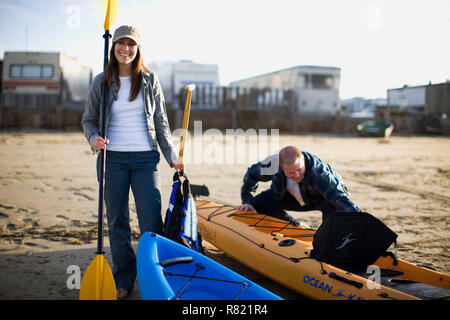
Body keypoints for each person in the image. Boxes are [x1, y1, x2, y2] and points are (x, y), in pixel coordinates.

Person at [81, 25, 179, 299]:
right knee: (117, 220)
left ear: (138, 49)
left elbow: (161, 121)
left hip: (146, 159)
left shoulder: (149, 79)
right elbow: (88, 119)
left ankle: (154, 275)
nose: (126, 49)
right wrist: (94, 139)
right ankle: (124, 278)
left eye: (131, 44)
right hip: (112, 160)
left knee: (151, 221)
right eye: (121, 44)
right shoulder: (101, 80)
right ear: (113, 48)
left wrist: (172, 155)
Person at [235, 146, 360, 224]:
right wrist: (247, 200)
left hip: (321, 200)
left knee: (334, 208)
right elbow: (251, 175)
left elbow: (340, 199)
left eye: (300, 170)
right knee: (259, 202)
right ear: (281, 167)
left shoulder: (319, 173)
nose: (297, 175)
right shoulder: (273, 164)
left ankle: (326, 237)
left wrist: (362, 220)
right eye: (291, 173)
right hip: (286, 196)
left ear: (303, 161)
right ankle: (292, 224)